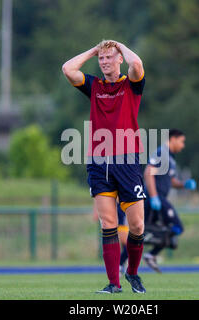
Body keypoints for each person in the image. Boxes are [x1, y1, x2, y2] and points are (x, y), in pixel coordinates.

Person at [63, 40, 146, 294]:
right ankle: (114, 283)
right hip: (98, 160)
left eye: (110, 57)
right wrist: (93, 50)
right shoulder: (95, 86)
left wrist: (119, 45)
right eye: (102, 59)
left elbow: (138, 64)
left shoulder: (130, 84)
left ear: (119, 58)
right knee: (107, 223)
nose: (105, 62)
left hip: (127, 160)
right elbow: (68, 68)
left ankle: (132, 271)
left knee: (137, 226)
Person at [143, 129, 196, 273]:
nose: (183, 145)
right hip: (154, 198)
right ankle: (146, 255)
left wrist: (183, 184)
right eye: (182, 141)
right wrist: (153, 196)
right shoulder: (162, 153)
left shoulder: (171, 158)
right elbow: (149, 172)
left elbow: (170, 181)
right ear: (173, 139)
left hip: (159, 198)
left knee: (146, 233)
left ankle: (148, 255)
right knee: (177, 227)